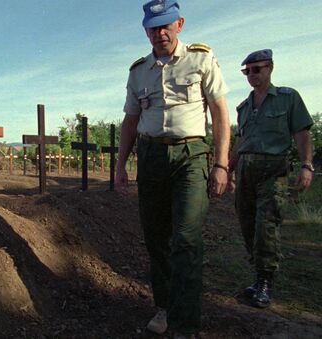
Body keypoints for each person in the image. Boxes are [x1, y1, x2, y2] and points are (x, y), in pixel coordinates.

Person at [114, 0, 231, 338]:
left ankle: (185, 324)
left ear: (179, 23)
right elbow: (131, 120)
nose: (159, 32)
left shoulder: (201, 59)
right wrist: (121, 165)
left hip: (191, 157)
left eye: (165, 25)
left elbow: (220, 113)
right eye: (152, 27)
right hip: (150, 158)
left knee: (186, 238)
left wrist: (221, 163)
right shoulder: (138, 71)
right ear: (145, 30)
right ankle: (165, 307)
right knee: (156, 239)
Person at [228, 49, 314, 309]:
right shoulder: (243, 107)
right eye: (247, 71)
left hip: (272, 170)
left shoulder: (288, 98)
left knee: (266, 225)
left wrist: (306, 165)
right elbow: (240, 141)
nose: (252, 75)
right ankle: (257, 277)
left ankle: (265, 282)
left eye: (258, 69)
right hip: (245, 170)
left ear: (270, 68)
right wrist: (227, 168)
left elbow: (301, 133)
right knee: (247, 223)